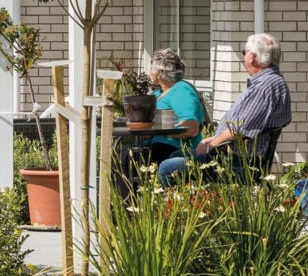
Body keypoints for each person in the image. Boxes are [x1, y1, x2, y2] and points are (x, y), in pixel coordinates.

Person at [158, 33, 291, 187]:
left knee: (167, 168)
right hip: (238, 157)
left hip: (239, 164)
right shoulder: (271, 82)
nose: (244, 57)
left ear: (252, 58)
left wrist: (212, 145)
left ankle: (181, 209)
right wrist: (213, 140)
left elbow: (238, 128)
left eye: (244, 52)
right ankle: (196, 204)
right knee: (177, 155)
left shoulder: (264, 87)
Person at [115, 49, 205, 198]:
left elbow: (191, 127)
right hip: (152, 143)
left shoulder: (181, 89)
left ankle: (130, 207)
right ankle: (126, 204)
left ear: (161, 71)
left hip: (173, 147)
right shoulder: (157, 93)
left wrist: (161, 129)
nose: (149, 70)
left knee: (125, 158)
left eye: (151, 67)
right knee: (121, 155)